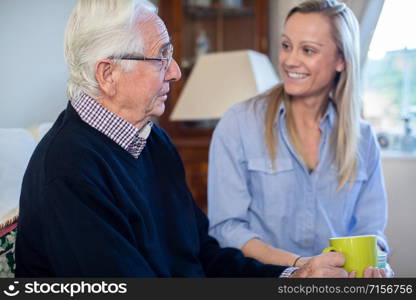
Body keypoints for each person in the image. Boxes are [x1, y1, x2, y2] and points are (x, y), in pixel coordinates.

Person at [15, 0, 351, 278]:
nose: (175, 71)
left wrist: (294, 276)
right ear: (108, 74)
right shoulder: (67, 170)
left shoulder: (153, 141)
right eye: (161, 56)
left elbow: (203, 254)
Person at [208, 0, 391, 277]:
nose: (290, 60)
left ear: (341, 60)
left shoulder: (363, 139)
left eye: (308, 50)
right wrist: (300, 266)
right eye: (286, 45)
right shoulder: (239, 124)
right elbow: (227, 228)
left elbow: (371, 233)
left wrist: (378, 266)